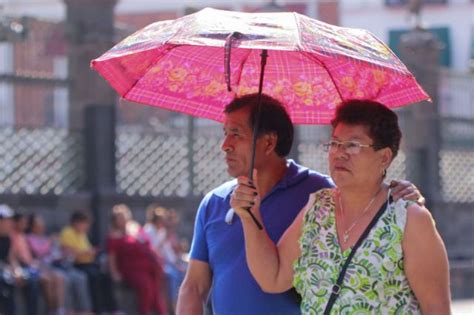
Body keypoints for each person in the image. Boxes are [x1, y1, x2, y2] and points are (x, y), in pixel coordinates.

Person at [177, 94, 423, 315]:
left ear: (269, 142)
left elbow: (370, 199)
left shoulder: (321, 196)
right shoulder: (214, 203)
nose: (225, 145)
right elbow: (194, 286)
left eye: (236, 134)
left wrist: (404, 193)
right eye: (225, 133)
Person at [230, 99, 451, 314]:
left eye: (353, 145)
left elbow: (436, 308)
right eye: (335, 143)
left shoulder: (409, 220)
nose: (339, 153)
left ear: (384, 157)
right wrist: (251, 216)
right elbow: (274, 278)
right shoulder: (317, 208)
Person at [107, 204, 168, 315]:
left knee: (156, 289)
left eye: (124, 216)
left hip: (147, 266)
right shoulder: (114, 235)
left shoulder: (134, 228)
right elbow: (112, 256)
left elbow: (148, 245)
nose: (123, 219)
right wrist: (114, 273)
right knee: (146, 287)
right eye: (119, 217)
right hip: (131, 268)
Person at [26, 214, 92, 314]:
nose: (42, 226)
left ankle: (83, 310)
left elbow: (56, 253)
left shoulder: (45, 238)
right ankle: (60, 310)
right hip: (44, 268)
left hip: (59, 265)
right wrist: (50, 241)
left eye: (42, 224)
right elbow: (39, 252)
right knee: (62, 278)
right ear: (32, 226)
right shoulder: (30, 238)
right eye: (38, 224)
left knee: (80, 277)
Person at [59, 210, 118, 314]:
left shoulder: (83, 234)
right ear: (76, 222)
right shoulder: (67, 233)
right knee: (93, 277)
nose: (86, 226)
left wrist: (92, 252)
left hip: (89, 264)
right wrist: (85, 252)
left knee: (105, 277)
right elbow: (69, 254)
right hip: (77, 265)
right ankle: (97, 310)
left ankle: (112, 309)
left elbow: (88, 249)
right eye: (84, 223)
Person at [11, 212, 66, 315]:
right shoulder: (17, 237)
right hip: (27, 268)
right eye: (22, 222)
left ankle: (59, 310)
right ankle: (50, 310)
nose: (24, 225)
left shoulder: (22, 236)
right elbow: (20, 257)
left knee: (58, 277)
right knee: (45, 280)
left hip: (36, 266)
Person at [144, 205, 187, 312]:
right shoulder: (149, 230)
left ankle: (181, 304)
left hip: (166, 262)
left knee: (183, 273)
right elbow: (153, 249)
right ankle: (172, 307)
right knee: (172, 275)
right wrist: (164, 239)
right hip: (154, 263)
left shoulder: (162, 231)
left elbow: (168, 252)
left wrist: (176, 264)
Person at [0, 205, 17, 315]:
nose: (11, 223)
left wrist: (17, 271)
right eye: (7, 220)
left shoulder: (7, 238)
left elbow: (11, 258)